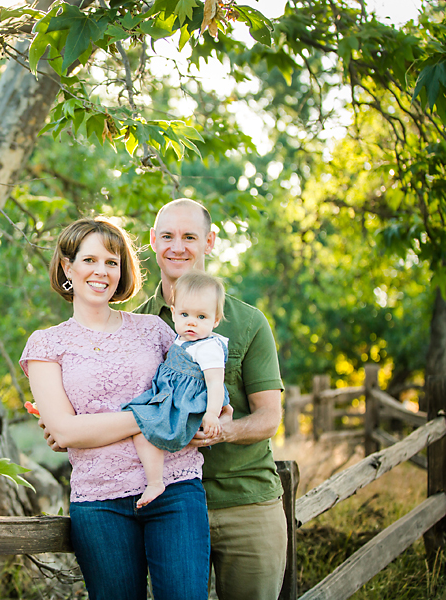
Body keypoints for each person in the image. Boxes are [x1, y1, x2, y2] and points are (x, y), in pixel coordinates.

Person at [20, 217, 210, 600]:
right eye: (90, 260)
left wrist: (210, 417)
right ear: (66, 267)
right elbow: (65, 431)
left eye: (112, 262)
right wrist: (154, 418)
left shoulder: (153, 331)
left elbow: (191, 394)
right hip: (100, 502)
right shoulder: (46, 345)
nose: (101, 271)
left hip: (174, 488)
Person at [136, 198, 287, 600]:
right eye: (167, 236)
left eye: (190, 237)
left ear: (210, 241)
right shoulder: (137, 326)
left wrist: (221, 430)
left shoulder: (248, 322)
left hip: (245, 502)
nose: (177, 247)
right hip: (171, 507)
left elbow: (269, 417)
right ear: (153, 241)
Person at [124, 270, 230, 508]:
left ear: (215, 320)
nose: (192, 322)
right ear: (173, 314)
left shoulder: (208, 347)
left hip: (187, 402)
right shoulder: (181, 339)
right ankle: (154, 479)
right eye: (185, 314)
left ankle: (155, 482)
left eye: (201, 317)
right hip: (170, 395)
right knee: (138, 426)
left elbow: (214, 382)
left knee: (143, 427)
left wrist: (212, 413)